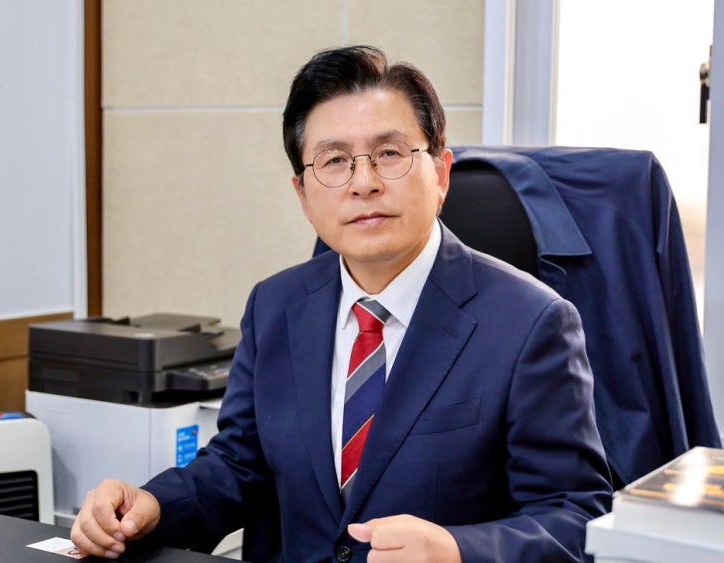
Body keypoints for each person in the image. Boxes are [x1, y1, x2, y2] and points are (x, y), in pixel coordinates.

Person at [71, 45, 612, 562]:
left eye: (390, 154)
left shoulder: (532, 323)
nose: (363, 183)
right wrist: (152, 505)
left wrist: (458, 551)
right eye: (334, 161)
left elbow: (574, 517)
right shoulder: (275, 305)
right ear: (303, 195)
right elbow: (239, 465)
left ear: (441, 174)